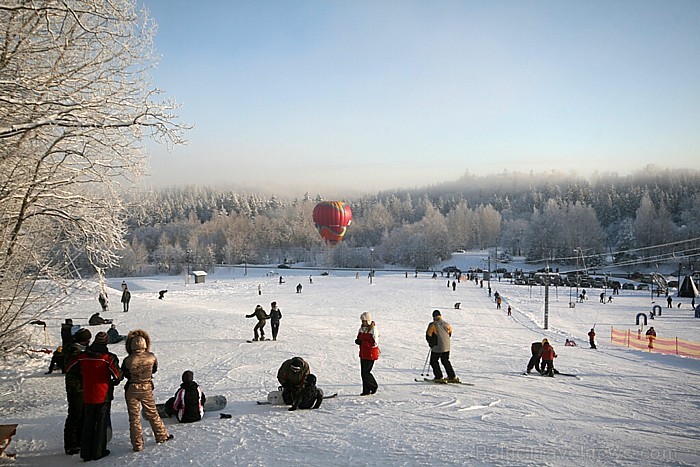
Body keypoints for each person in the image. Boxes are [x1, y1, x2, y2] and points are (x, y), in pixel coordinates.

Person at [65, 331, 122, 461]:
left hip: (87, 393)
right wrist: (115, 381)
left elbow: (69, 368)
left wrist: (84, 375)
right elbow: (118, 375)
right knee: (101, 423)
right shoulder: (108, 357)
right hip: (103, 393)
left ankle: (85, 452)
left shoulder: (82, 356)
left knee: (88, 423)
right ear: (106, 342)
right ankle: (98, 451)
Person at [122, 329, 172, 452]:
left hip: (132, 388)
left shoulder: (128, 360)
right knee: (152, 413)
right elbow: (154, 370)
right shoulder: (151, 357)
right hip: (147, 387)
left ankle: (137, 444)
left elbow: (125, 373)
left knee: (134, 418)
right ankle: (161, 435)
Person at [62, 328, 91, 455]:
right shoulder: (74, 351)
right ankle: (71, 444)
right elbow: (73, 368)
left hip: (82, 387)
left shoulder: (80, 350)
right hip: (75, 387)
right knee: (75, 414)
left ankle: (79, 441)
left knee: (83, 414)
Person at [425, 310, 459, 383]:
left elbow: (428, 335)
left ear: (434, 316)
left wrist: (431, 343)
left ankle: (438, 376)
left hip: (437, 346)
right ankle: (452, 376)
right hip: (447, 346)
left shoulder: (433, 325)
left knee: (433, 361)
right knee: (445, 360)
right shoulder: (447, 324)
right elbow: (449, 334)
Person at [355, 312, 379, 396]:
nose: (363, 323)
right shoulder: (361, 329)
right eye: (362, 321)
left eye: (364, 321)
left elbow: (374, 343)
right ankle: (366, 390)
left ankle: (373, 386)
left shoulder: (373, 330)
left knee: (366, 372)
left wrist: (362, 342)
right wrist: (358, 341)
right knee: (363, 372)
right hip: (363, 353)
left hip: (370, 354)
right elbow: (359, 337)